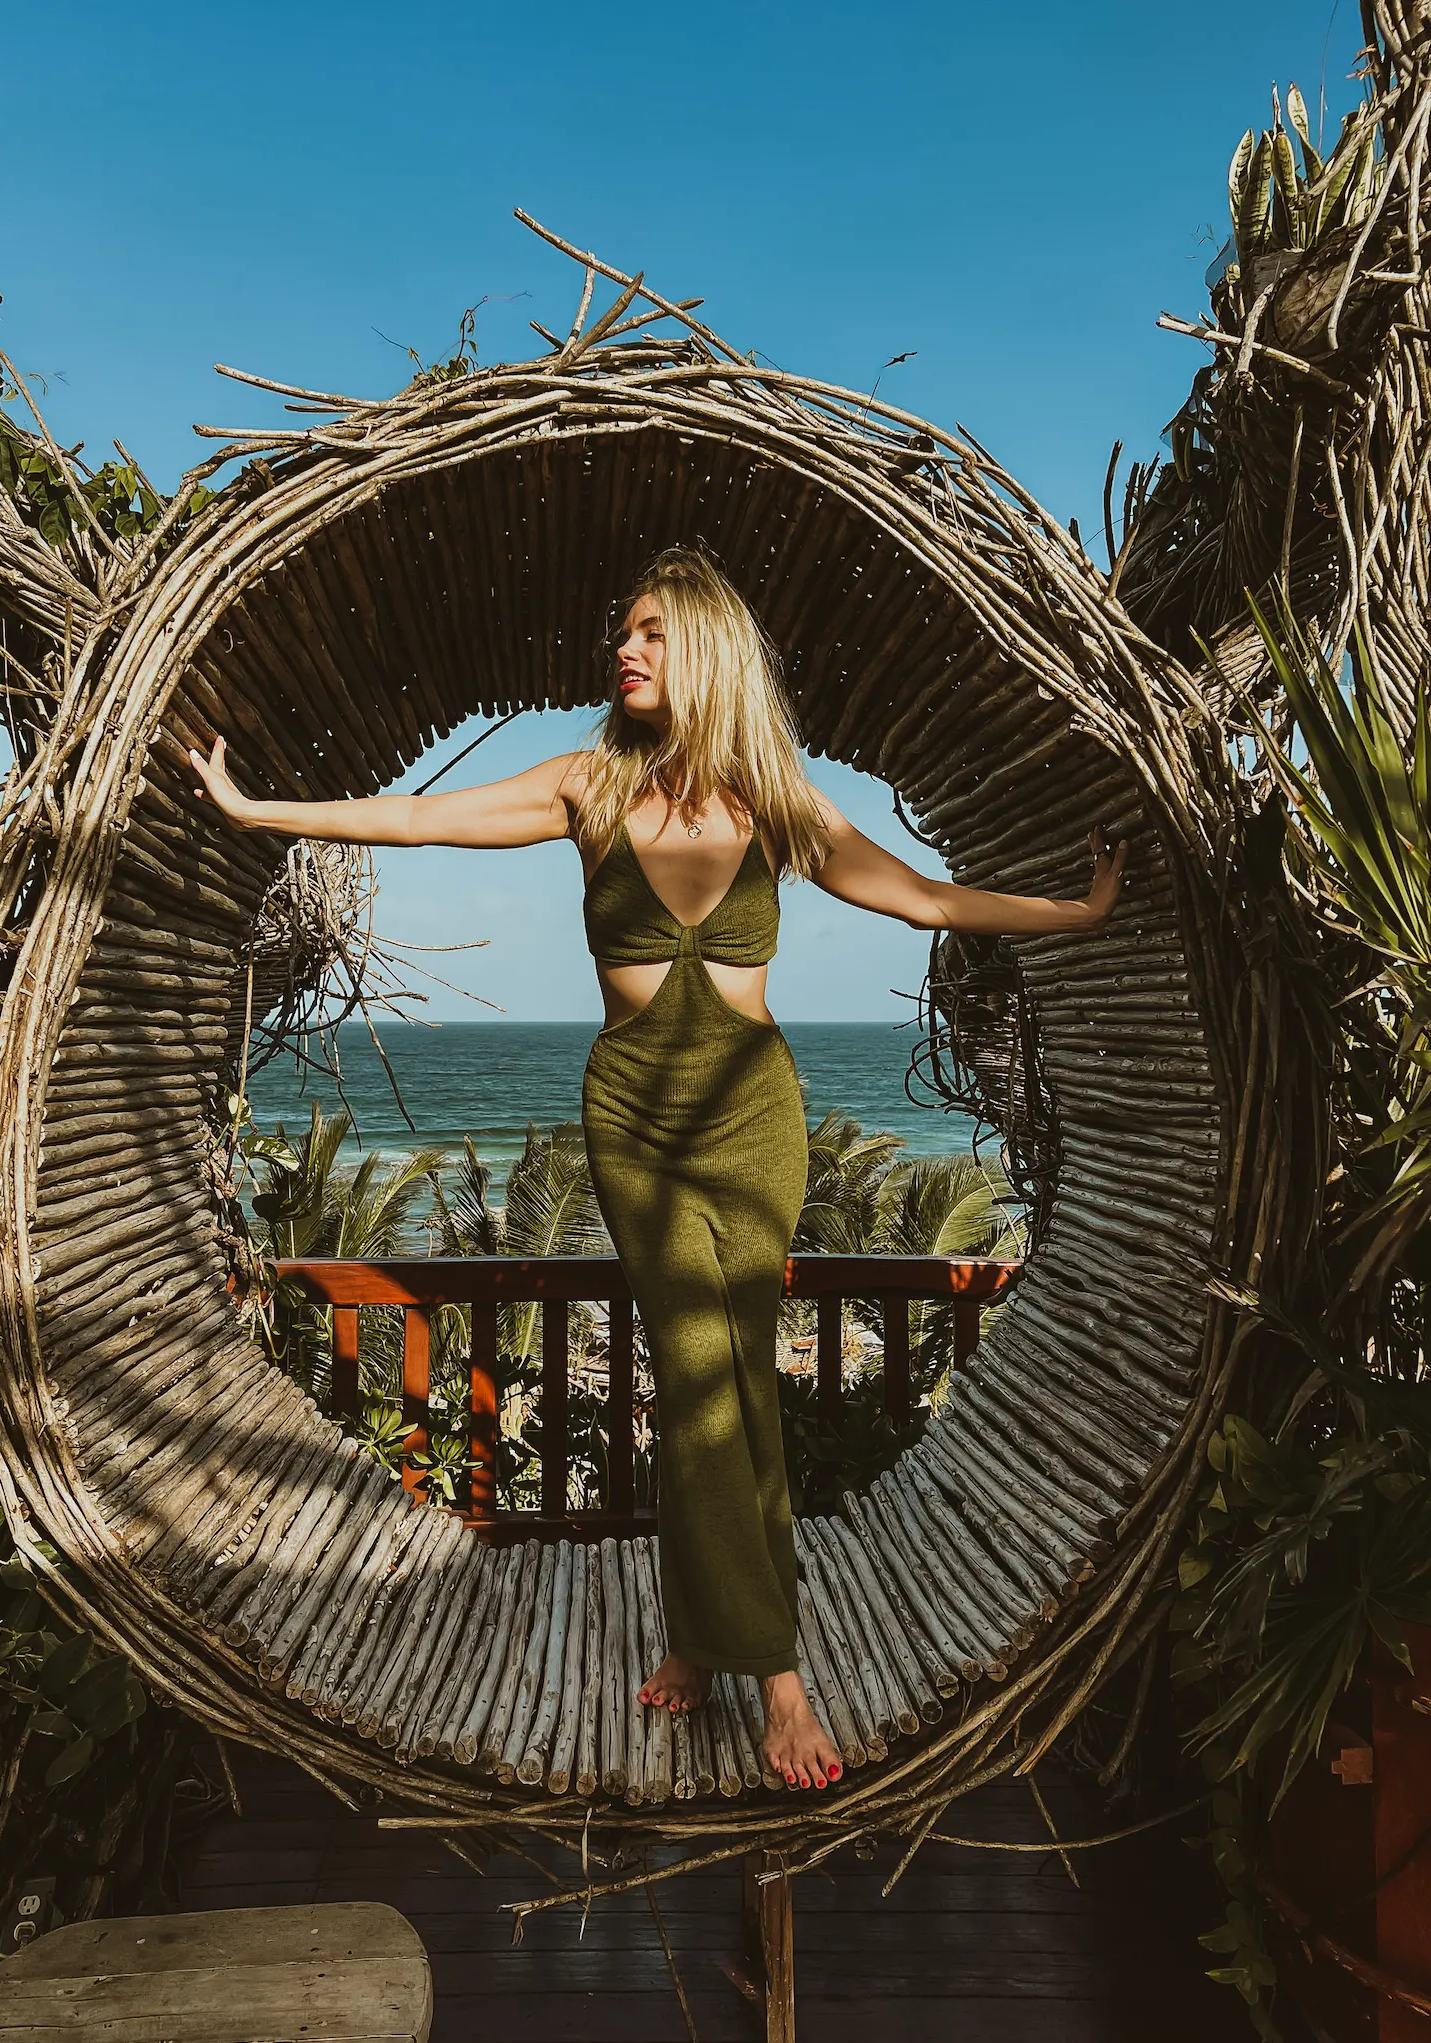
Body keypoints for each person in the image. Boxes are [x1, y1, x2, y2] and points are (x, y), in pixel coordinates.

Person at [189, 546, 1127, 1791]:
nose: (622, 651)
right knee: (698, 1377)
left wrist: (1074, 914)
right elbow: (417, 819)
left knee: (729, 1377)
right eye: (621, 633)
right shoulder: (586, 786)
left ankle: (695, 1634)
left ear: (707, 650)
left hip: (756, 1121)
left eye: (649, 633)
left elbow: (922, 901)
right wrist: (259, 813)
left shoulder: (774, 797)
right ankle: (779, 1680)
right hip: (636, 1118)